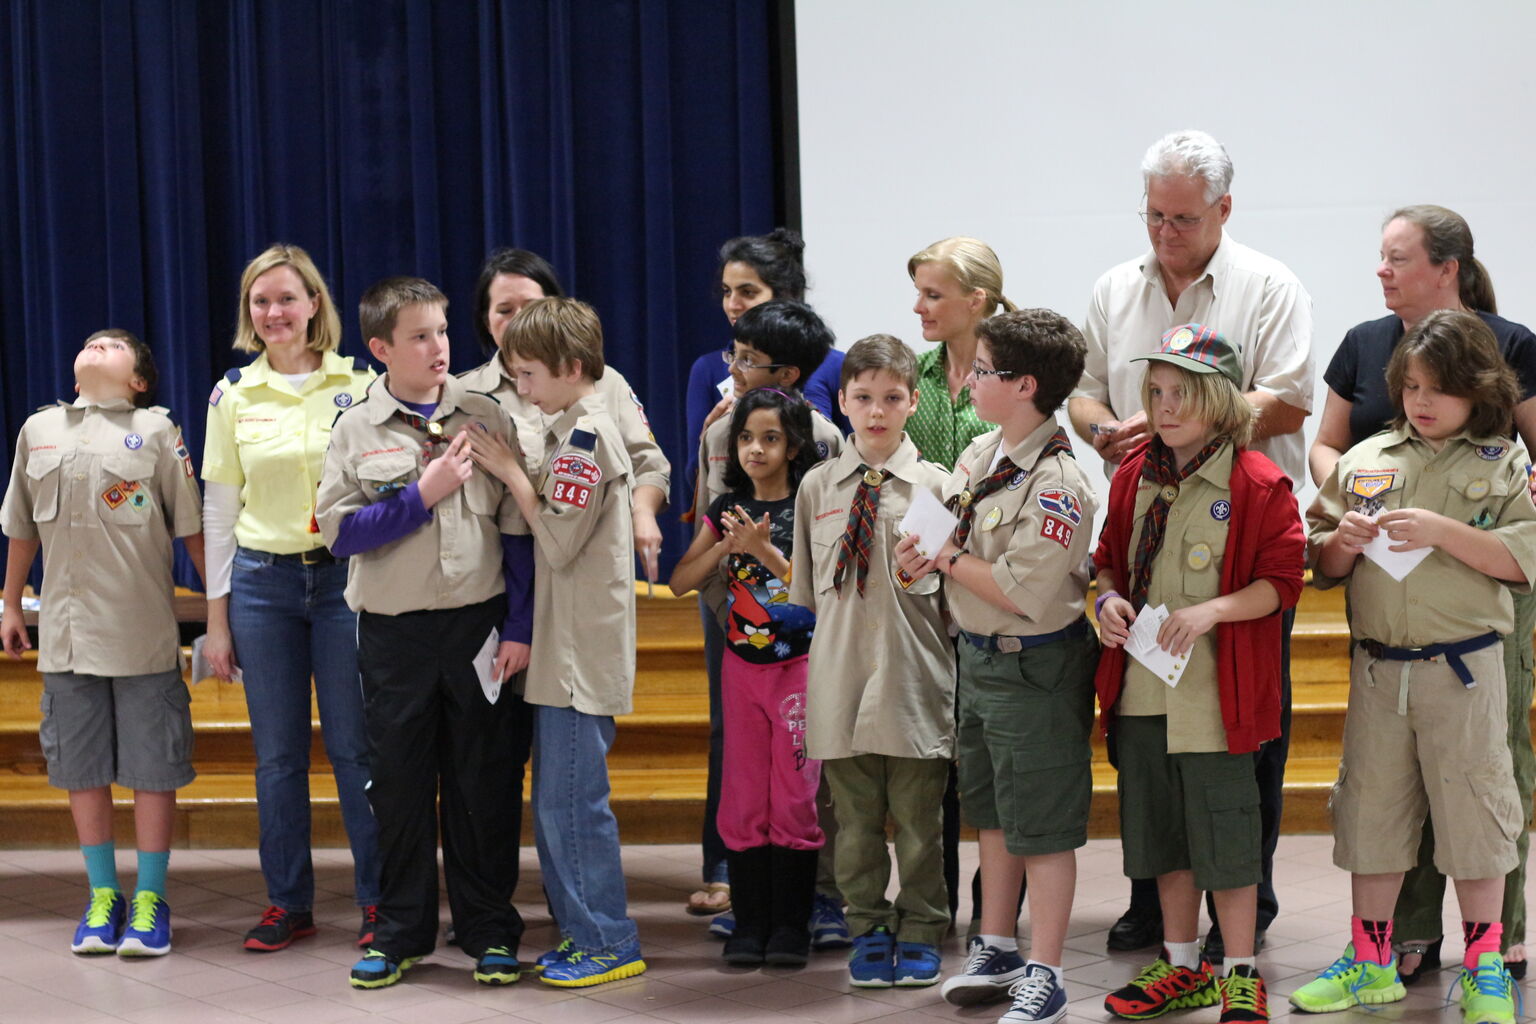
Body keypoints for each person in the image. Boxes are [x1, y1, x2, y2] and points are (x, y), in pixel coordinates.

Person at [1068, 130, 1314, 959]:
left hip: (1236, 547)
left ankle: (1246, 908)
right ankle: (1154, 907)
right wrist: (1113, 433)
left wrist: (1194, 414)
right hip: (1147, 536)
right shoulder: (1114, 286)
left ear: (1223, 209)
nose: (1165, 232)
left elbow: (1287, 401)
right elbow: (1086, 394)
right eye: (1154, 216)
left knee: (1246, 738)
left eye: (1182, 218)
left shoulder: (1268, 284)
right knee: (1148, 749)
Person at [1308, 206, 1536, 984]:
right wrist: (1335, 546)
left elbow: (1522, 553)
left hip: (1466, 666)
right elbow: (1323, 548)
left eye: (1438, 391)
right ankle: (1369, 958)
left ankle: (1485, 964)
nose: (1421, 403)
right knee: (1371, 816)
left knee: (1477, 814)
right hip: (1379, 667)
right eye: (1410, 389)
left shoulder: (1503, 463)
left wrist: (1442, 530)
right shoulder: (1368, 455)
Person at [316, 277, 533, 990]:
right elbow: (341, 535)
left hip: (479, 626)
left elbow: (516, 532)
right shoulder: (356, 427)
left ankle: (489, 927)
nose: (437, 347)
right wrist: (421, 496)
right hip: (395, 633)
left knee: (485, 781)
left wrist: (521, 626)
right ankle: (400, 929)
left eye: (441, 332)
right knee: (402, 785)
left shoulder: (484, 414)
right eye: (418, 336)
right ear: (379, 348)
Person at [1094, 324, 1303, 1024]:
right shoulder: (1132, 478)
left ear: (1219, 400)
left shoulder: (1258, 483)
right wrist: (1108, 601)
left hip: (1218, 702)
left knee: (1229, 842)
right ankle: (1182, 968)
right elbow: (1106, 565)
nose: (1164, 405)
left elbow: (1282, 581)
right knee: (1165, 841)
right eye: (1155, 392)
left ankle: (1239, 972)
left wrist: (1215, 608)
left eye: (1180, 392)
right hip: (1144, 697)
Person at [898, 309, 1101, 1024]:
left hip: (1035, 667)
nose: (968, 379)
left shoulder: (1057, 486)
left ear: (1024, 386)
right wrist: (919, 555)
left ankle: (1046, 971)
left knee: (1040, 825)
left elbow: (1019, 590)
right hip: (977, 660)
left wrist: (948, 556)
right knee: (988, 809)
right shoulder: (980, 454)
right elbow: (942, 536)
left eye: (982, 370)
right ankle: (995, 944)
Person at [199, 244, 381, 952]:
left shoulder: (361, 385)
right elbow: (219, 512)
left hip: (343, 582)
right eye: (260, 301)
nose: (273, 313)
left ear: (314, 305)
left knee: (355, 750)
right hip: (262, 585)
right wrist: (216, 621)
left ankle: (379, 899)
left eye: (285, 298)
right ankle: (287, 903)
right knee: (277, 757)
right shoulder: (233, 395)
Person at [1, 329, 205, 957]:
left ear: (139, 379)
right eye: (90, 342)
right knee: (81, 768)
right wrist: (11, 602)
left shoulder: (158, 432)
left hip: (141, 632)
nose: (97, 346)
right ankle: (101, 896)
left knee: (152, 767)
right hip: (65, 634)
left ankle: (149, 899)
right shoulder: (39, 431)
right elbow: (21, 528)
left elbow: (193, 530)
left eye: (113, 346)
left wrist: (221, 617)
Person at [467, 297, 647, 988]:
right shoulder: (571, 426)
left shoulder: (586, 439)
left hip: (577, 651)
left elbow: (560, 540)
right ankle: (585, 932)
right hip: (565, 644)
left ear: (574, 368)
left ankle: (607, 937)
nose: (523, 388)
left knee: (572, 803)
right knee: (558, 802)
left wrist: (512, 471)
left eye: (531, 374)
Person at [682, 231, 845, 932]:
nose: (734, 369)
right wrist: (729, 597)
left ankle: (823, 895)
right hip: (740, 618)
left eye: (747, 361)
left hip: (813, 627)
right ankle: (751, 894)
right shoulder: (723, 431)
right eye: (734, 357)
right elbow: (710, 524)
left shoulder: (829, 439)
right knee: (747, 751)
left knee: (815, 753)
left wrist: (802, 594)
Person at [789, 335, 954, 988]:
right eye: (863, 397)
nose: (877, 410)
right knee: (854, 828)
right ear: (844, 402)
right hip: (840, 678)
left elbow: (950, 600)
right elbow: (806, 591)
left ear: (914, 401)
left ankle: (921, 927)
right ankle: (867, 925)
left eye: (892, 397)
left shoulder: (939, 487)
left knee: (919, 825)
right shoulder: (817, 488)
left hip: (914, 679)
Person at [670, 388, 823, 967]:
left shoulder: (809, 503)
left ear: (793, 445)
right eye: (746, 438)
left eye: (770, 438)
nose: (756, 449)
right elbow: (683, 580)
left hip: (798, 672)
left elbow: (817, 591)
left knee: (794, 796)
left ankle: (791, 925)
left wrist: (766, 552)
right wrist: (728, 548)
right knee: (742, 798)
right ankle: (750, 923)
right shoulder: (726, 508)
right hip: (742, 672)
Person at [460, 247, 670, 583]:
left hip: (581, 565)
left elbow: (649, 464)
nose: (518, 319)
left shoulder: (602, 382)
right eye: (504, 310)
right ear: (486, 320)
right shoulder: (466, 395)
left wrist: (642, 512)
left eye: (531, 307)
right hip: (497, 573)